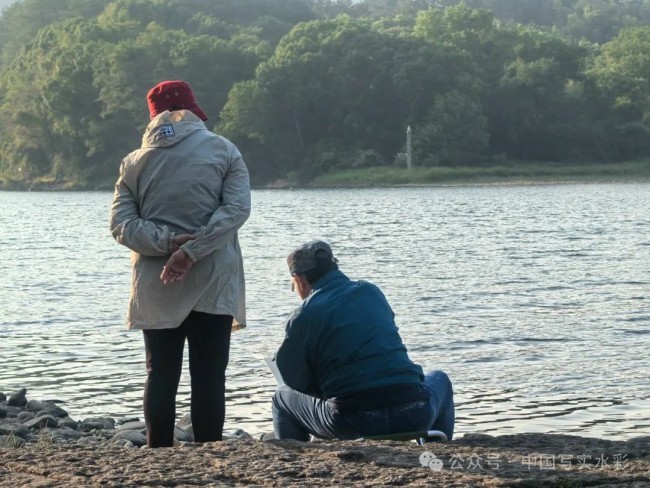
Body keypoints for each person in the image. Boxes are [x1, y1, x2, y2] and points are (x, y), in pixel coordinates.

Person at [109, 80, 251, 448]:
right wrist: (192, 251)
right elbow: (236, 210)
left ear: (154, 116)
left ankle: (160, 455)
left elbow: (121, 226)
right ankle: (208, 453)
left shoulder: (134, 163)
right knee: (208, 376)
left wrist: (168, 243)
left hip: (157, 282)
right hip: (213, 277)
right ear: (192, 110)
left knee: (160, 374)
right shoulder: (225, 151)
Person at [272, 240, 455, 442]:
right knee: (440, 379)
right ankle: (436, 456)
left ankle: (297, 464)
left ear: (299, 279)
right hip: (414, 414)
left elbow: (294, 382)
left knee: (281, 397)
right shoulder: (371, 291)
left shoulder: (303, 314)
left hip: (353, 422)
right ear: (334, 266)